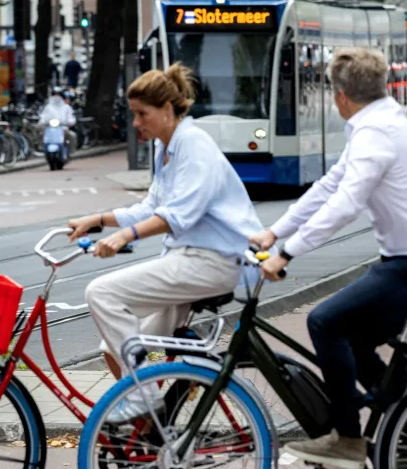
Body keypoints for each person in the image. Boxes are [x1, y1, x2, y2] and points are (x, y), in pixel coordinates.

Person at [249, 47, 407, 469]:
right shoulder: (379, 125)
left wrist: (286, 253)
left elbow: (346, 203)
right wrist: (274, 232)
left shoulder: (377, 133)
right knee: (350, 338)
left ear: (340, 97)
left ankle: (347, 440)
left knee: (324, 322)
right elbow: (329, 186)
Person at [68, 64, 263, 423]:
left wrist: (125, 235)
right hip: (187, 260)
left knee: (102, 293)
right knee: (115, 349)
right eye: (134, 114)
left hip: (212, 261)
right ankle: (159, 423)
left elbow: (178, 215)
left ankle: (145, 395)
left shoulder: (194, 146)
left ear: (168, 110)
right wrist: (97, 220)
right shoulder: (167, 148)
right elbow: (150, 207)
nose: (136, 123)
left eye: (142, 114)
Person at [39, 87, 79, 152]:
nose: (56, 97)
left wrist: (69, 122)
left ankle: (71, 151)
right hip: (50, 129)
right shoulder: (48, 107)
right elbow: (43, 117)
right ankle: (42, 150)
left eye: (58, 95)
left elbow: (71, 118)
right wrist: (42, 121)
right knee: (41, 135)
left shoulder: (66, 107)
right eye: (55, 95)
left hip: (63, 128)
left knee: (72, 136)